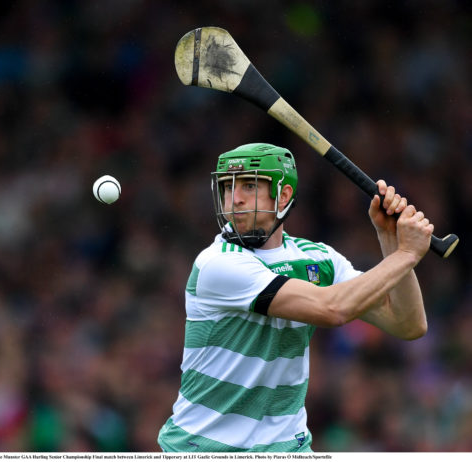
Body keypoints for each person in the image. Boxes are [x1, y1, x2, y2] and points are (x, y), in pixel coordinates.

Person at [157, 143, 433, 452]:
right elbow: (332, 308)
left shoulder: (319, 258)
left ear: (283, 195)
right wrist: (406, 254)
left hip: (287, 448)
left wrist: (390, 241)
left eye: (249, 185)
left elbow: (408, 324)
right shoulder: (218, 264)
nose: (235, 198)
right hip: (206, 448)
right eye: (227, 187)